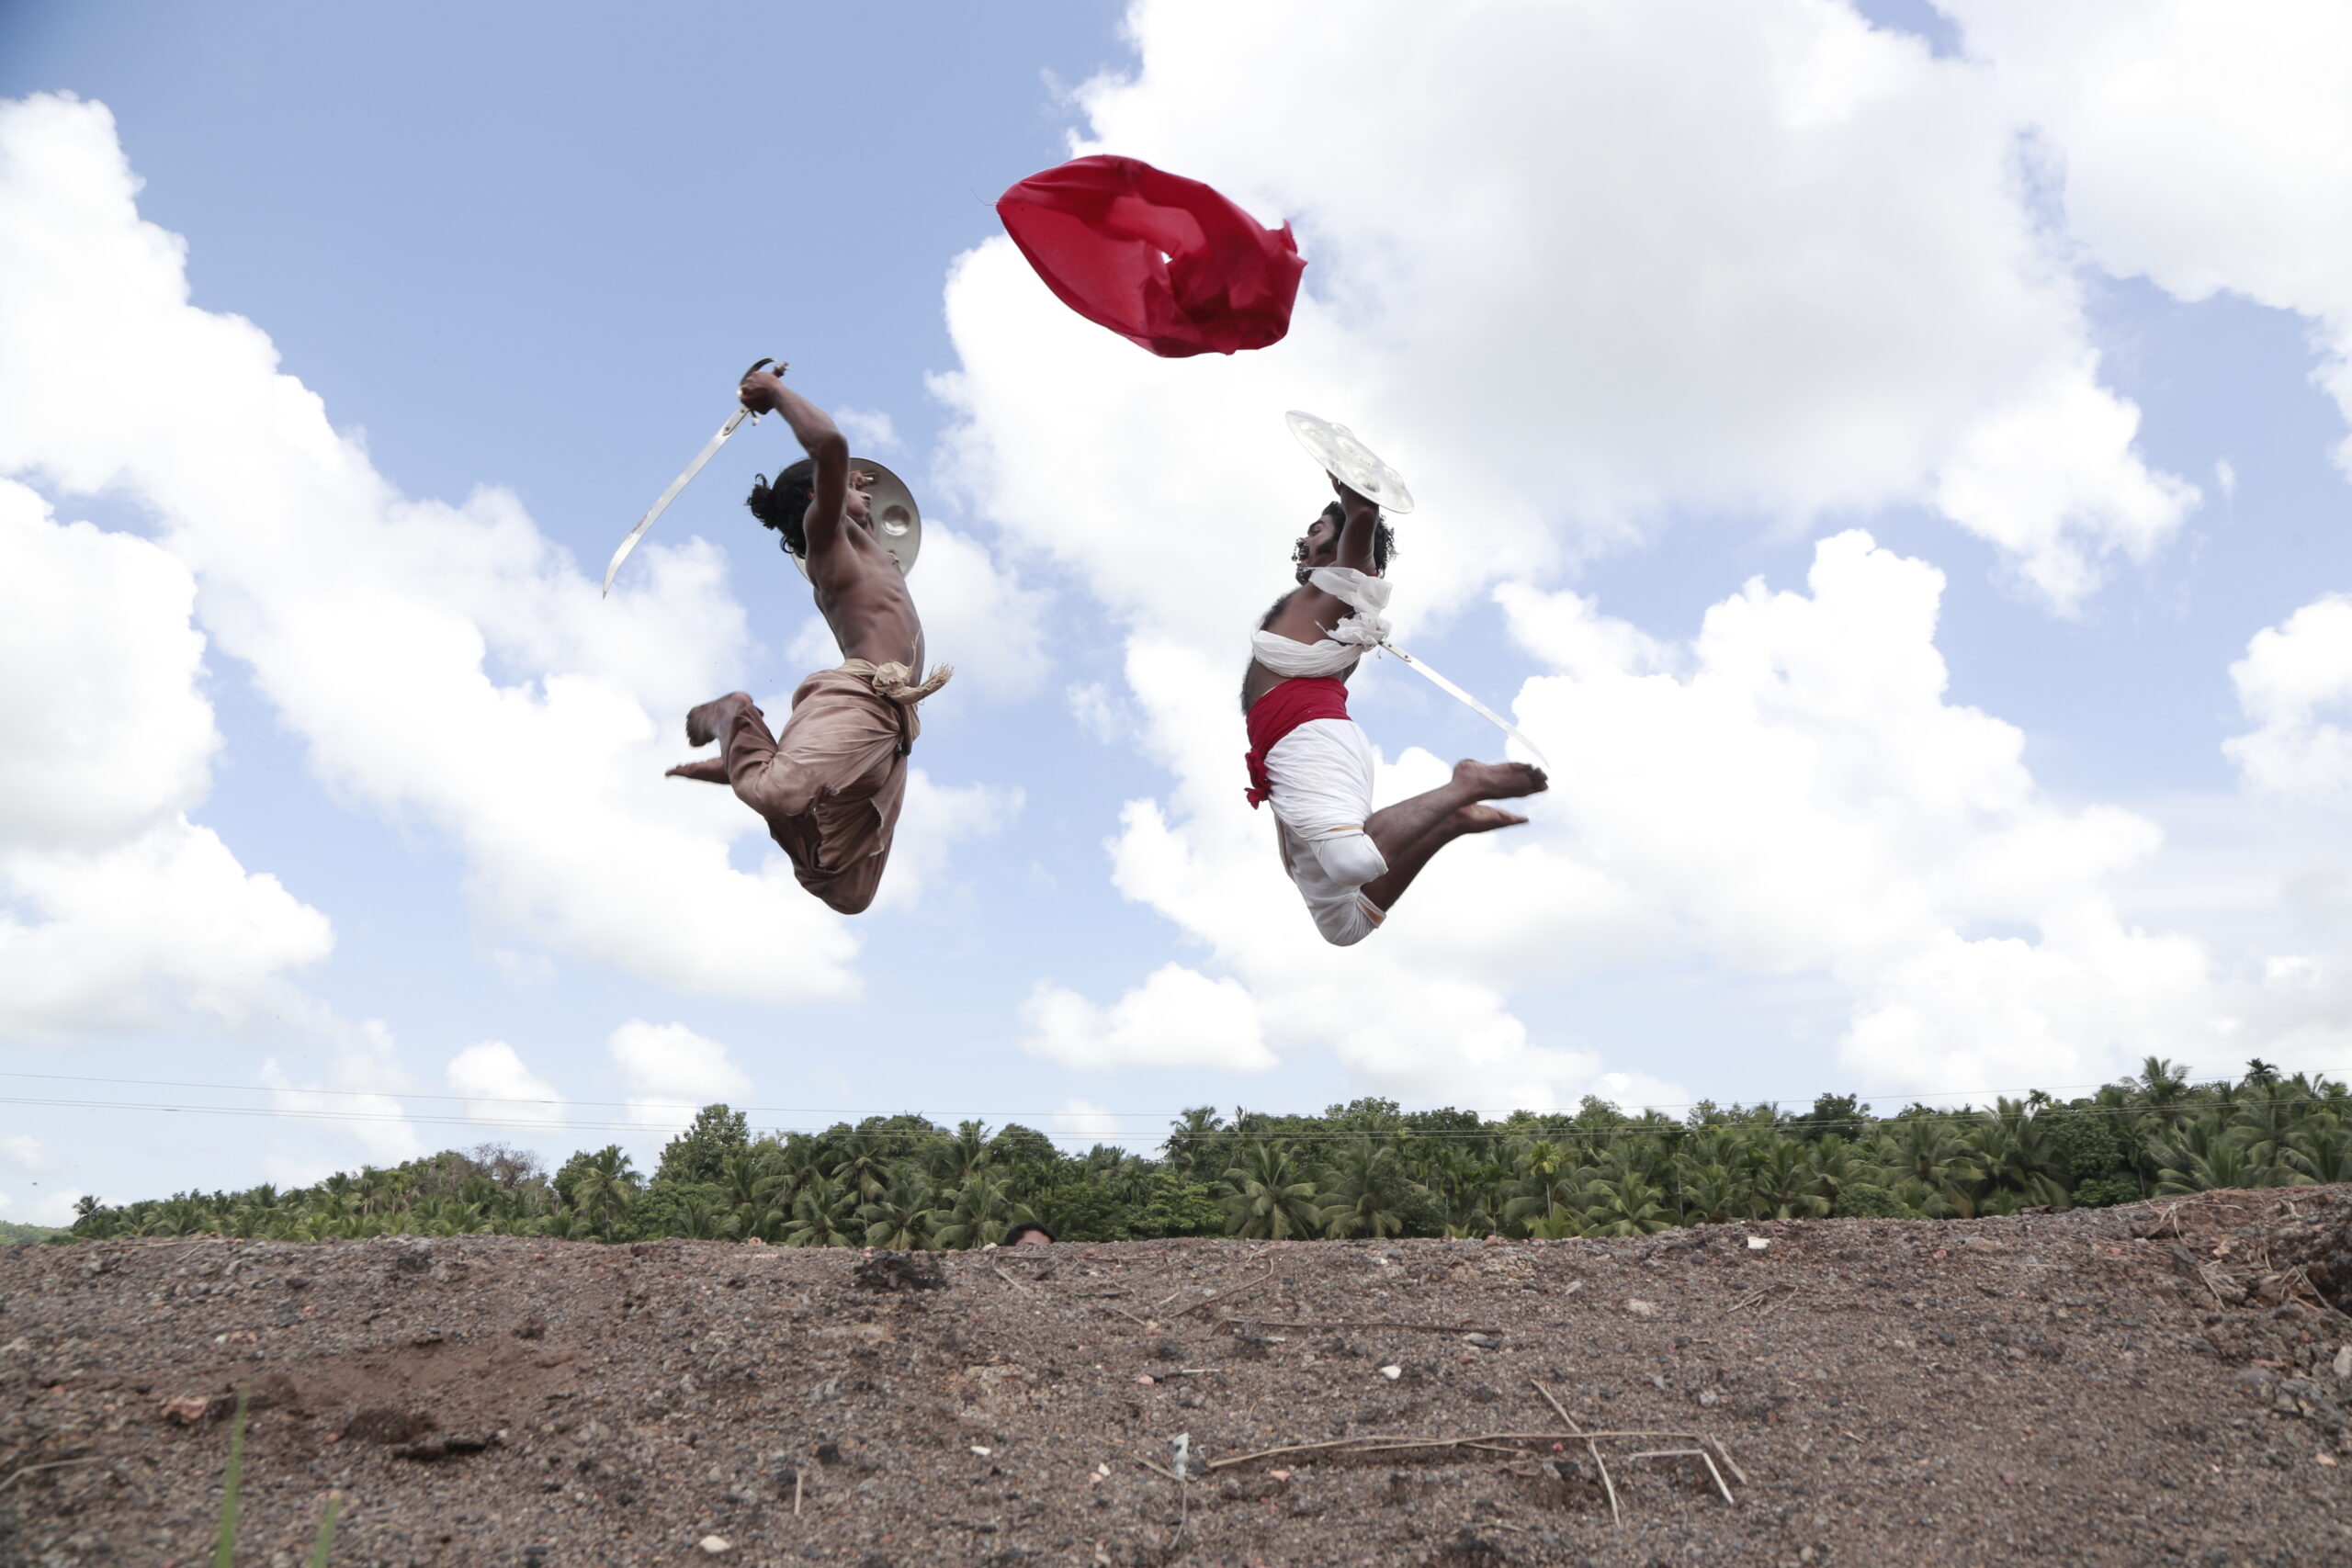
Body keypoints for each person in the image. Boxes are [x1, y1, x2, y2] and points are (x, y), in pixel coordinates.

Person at [665, 367, 950, 915]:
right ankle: (734, 716)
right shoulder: (827, 543)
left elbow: (852, 491)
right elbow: (832, 444)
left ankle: (749, 760)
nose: (861, 484)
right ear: (819, 499)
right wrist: (772, 393)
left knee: (848, 892)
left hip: (892, 728)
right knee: (781, 795)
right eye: (850, 484)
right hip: (860, 699)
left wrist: (857, 501)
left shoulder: (872, 555)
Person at [1241, 479, 1546, 945]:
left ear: (1341, 542)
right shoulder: (1324, 601)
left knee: (1351, 862)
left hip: (1309, 737)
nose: (1302, 539)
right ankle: (1453, 821)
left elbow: (1363, 517)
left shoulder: (1346, 587)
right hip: (1281, 746)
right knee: (1342, 927)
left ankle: (1466, 784)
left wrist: (1350, 485)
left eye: (1316, 528)